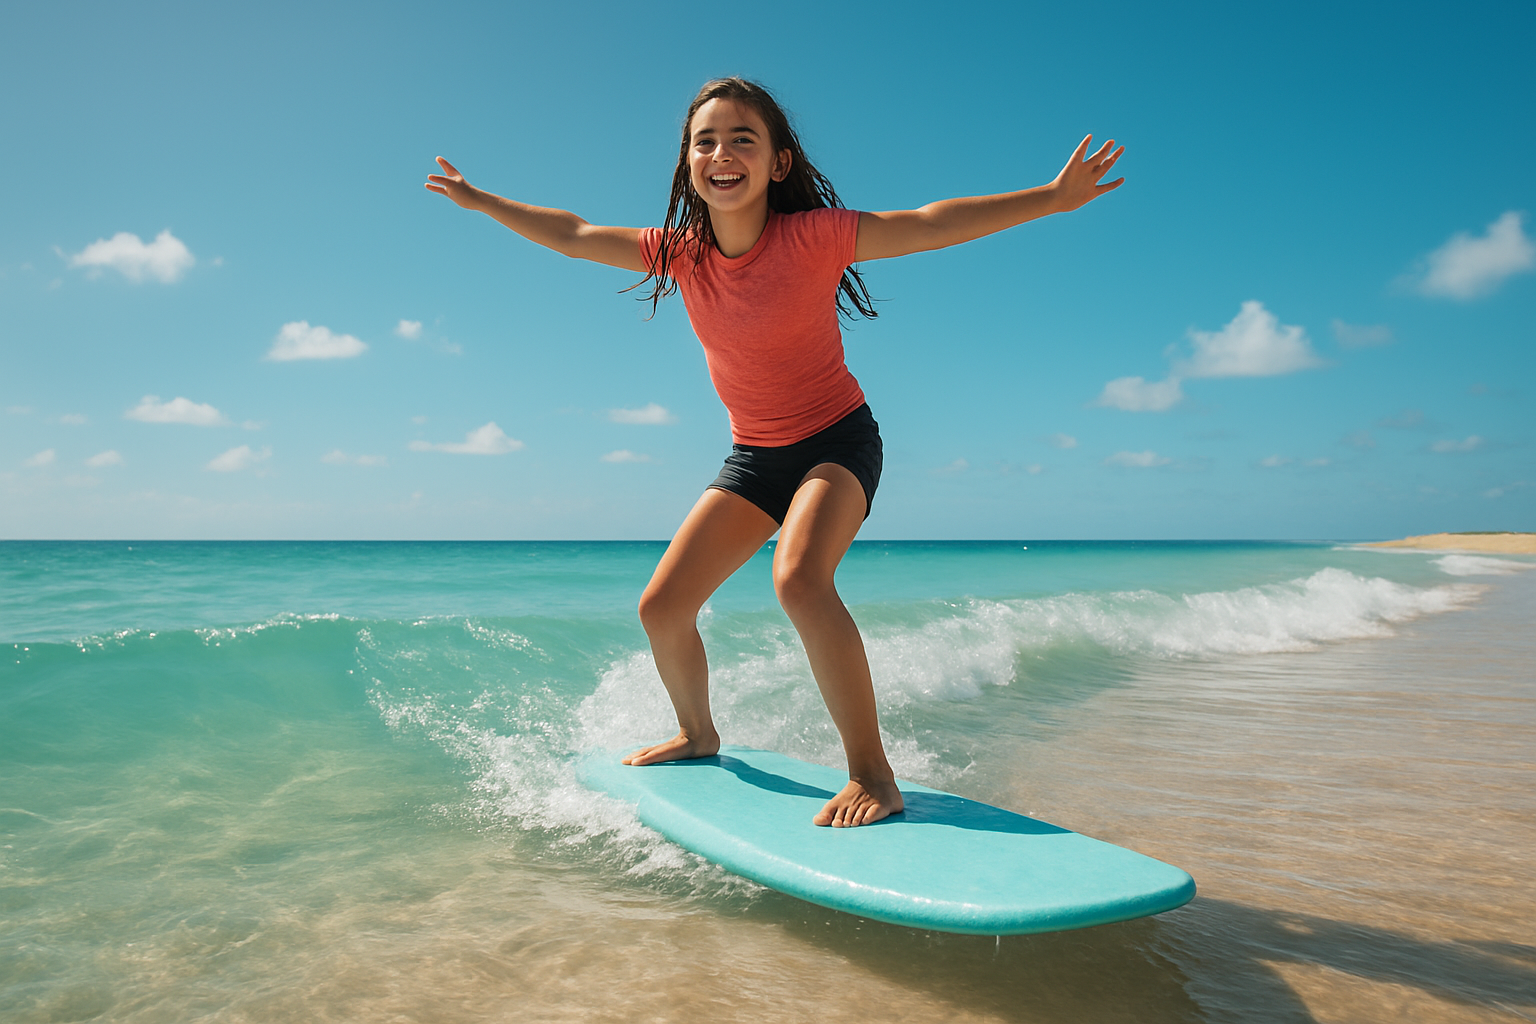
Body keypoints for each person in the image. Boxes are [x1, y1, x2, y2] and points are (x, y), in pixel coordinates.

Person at [426, 77, 1124, 827]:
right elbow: (572, 233)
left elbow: (928, 222)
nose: (722, 153)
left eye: (742, 140)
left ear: (778, 163)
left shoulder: (814, 237)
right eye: (706, 141)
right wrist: (485, 202)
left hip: (837, 441)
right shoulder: (680, 256)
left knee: (798, 579)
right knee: (662, 606)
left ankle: (874, 777)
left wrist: (1050, 198)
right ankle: (698, 735)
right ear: (687, 163)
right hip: (756, 457)